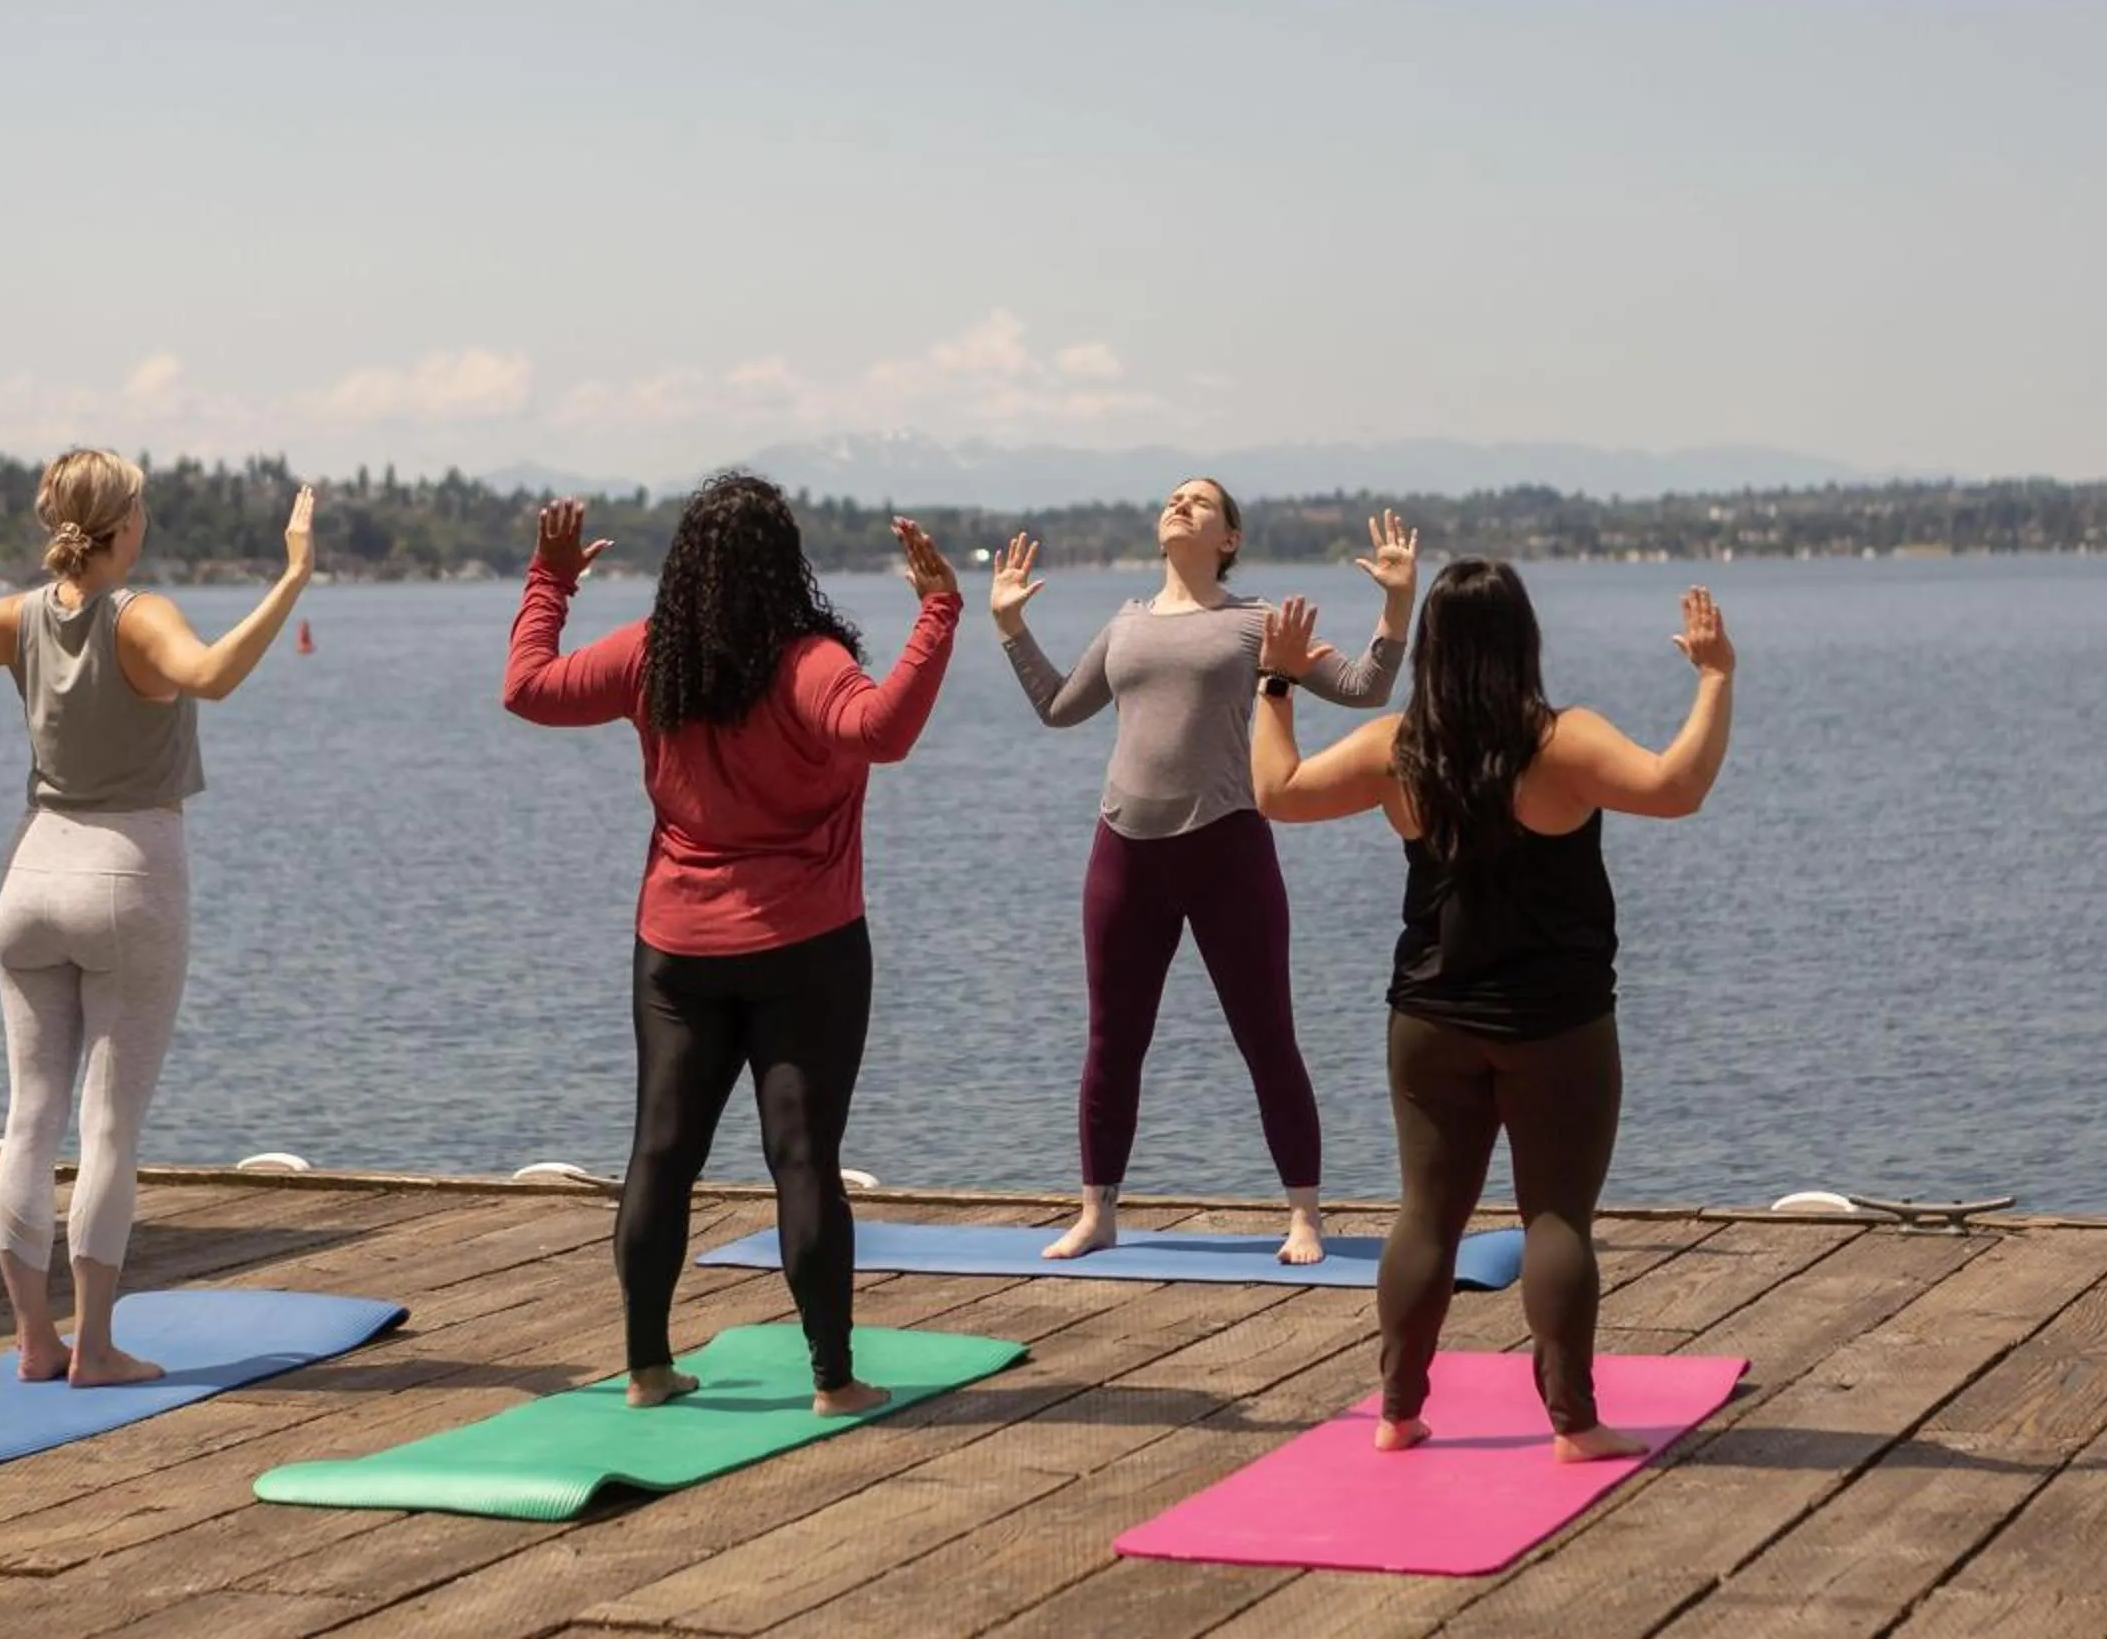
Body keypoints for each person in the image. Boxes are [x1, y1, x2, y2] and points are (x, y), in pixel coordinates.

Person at [0, 452, 315, 1385]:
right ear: (126, 524)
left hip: (30, 879)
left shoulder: (16, 618)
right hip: (128, 874)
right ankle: (93, 1347)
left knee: (30, 1117)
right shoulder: (141, 618)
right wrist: (293, 572)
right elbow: (214, 675)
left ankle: (32, 1341)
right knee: (108, 1129)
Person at [501, 474, 961, 1417]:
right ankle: (834, 1381)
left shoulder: (651, 658)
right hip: (808, 948)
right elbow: (884, 731)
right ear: (784, 563)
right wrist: (938, 613)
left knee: (660, 1155)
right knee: (802, 1159)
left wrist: (549, 581)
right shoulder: (811, 664)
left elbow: (528, 689)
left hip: (677, 950)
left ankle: (647, 1370)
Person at [1251, 563, 1734, 1459]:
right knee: (1556, 1217)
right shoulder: (1564, 742)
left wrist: (1274, 682)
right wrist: (1714, 678)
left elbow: (1276, 792)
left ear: (1431, 647)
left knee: (1427, 1215)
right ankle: (1574, 1424)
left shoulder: (1398, 748)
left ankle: (1396, 1413)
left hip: (1430, 1020)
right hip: (1558, 1024)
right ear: (1524, 643)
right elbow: (1678, 787)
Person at [990, 482, 1416, 1264]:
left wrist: (1396, 607)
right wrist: (1011, 625)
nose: (1182, 505)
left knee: (1267, 1037)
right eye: (1174, 497)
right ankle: (1097, 1212)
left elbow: (1367, 688)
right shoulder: (1124, 626)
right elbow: (1056, 706)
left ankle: (1304, 1218)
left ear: (1228, 538)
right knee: (1113, 1040)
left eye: (1202, 502)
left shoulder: (1254, 623)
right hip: (1124, 849)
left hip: (1227, 848)